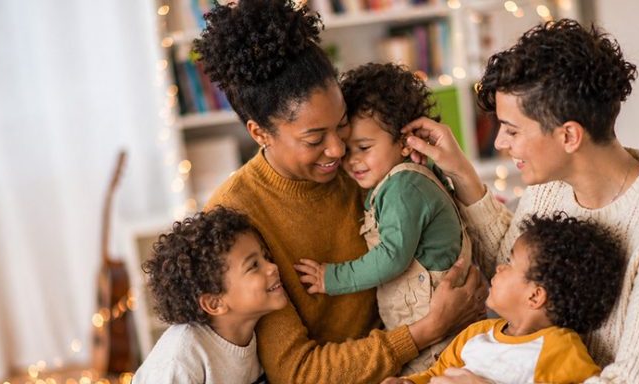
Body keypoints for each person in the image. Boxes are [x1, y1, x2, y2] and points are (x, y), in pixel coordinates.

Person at [401, 19, 639, 383]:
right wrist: (459, 171)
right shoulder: (552, 188)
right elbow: (518, 270)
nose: (499, 144)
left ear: (569, 135)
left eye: (512, 130)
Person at [193, 1, 487, 382]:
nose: (337, 150)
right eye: (314, 138)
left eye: (342, 124)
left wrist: (461, 172)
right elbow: (296, 372)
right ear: (259, 133)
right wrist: (425, 331)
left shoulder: (368, 161)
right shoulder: (235, 213)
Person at [292, 62, 473, 374]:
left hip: (440, 338)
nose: (352, 160)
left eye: (364, 147)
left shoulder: (403, 187)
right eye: (348, 150)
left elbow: (392, 257)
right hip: (427, 329)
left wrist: (330, 278)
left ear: (405, 143)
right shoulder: (396, 181)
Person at [383, 212, 625, 384]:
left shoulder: (558, 348)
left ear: (535, 296)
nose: (499, 268)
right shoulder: (475, 334)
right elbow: (436, 373)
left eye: (510, 263)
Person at [132, 206, 287, 384]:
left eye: (265, 257)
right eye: (253, 266)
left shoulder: (259, 335)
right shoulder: (182, 359)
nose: (272, 267)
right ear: (214, 303)